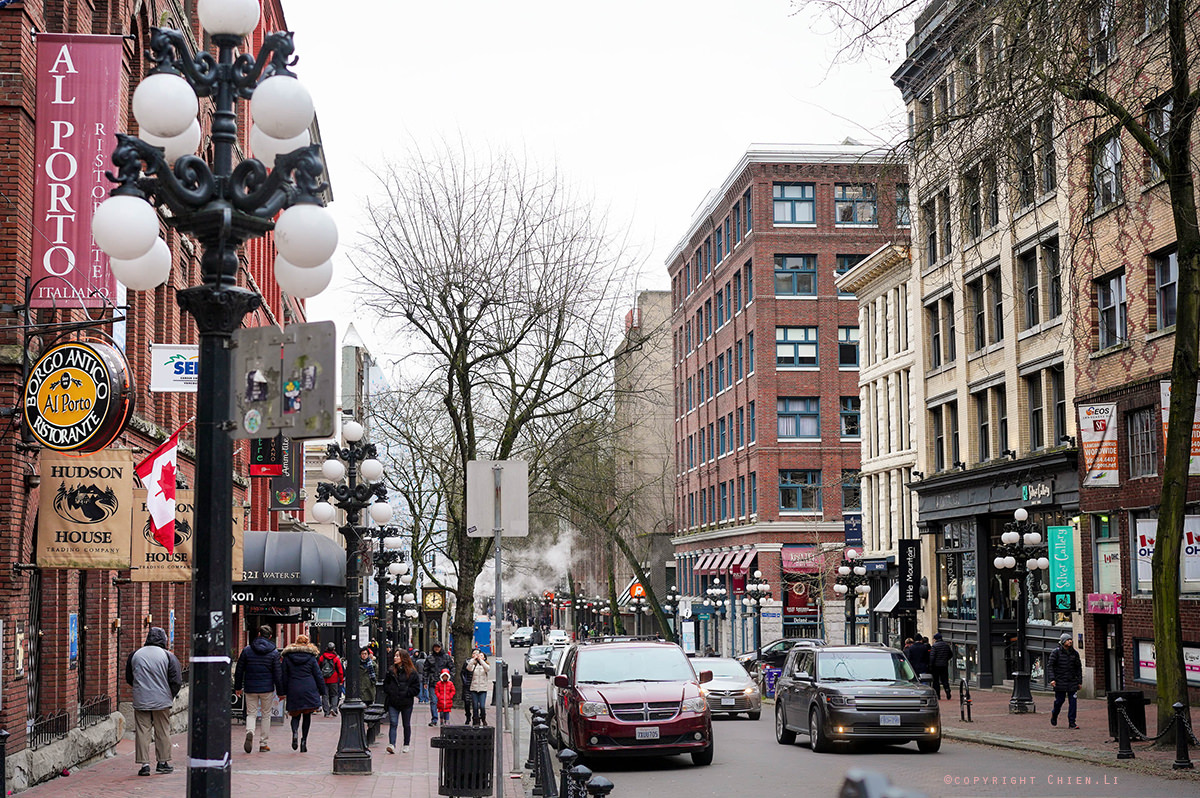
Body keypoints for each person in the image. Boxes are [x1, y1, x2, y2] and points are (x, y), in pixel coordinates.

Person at [125, 627, 183, 776]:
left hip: (141, 699)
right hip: (162, 700)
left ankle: (144, 765)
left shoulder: (135, 655)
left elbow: (129, 678)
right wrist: (171, 694)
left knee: (142, 731)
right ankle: (163, 762)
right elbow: (176, 679)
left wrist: (140, 689)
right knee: (162, 730)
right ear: (163, 640)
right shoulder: (168, 656)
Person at [234, 625, 283, 753]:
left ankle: (250, 732)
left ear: (259, 634)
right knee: (266, 715)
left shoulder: (247, 650)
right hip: (267, 688)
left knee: (251, 713)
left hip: (250, 687)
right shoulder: (274, 653)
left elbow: (239, 670)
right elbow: (278, 674)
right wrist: (281, 692)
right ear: (270, 636)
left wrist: (238, 687)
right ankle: (263, 743)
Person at [279, 634, 325, 752]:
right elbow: (318, 675)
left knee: (295, 714)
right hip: (309, 688)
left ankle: (295, 733)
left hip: (293, 688)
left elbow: (283, 675)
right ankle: (304, 740)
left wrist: (282, 691)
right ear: (307, 643)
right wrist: (322, 690)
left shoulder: (288, 657)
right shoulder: (311, 657)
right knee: (307, 715)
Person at [383, 649, 421, 753]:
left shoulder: (412, 672)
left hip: (406, 702)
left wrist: (407, 693)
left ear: (403, 658)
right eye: (395, 656)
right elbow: (385, 685)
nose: (395, 658)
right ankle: (392, 744)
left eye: (397, 656)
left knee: (406, 724)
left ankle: (406, 744)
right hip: (393, 701)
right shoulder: (391, 671)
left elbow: (416, 688)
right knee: (393, 722)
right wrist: (391, 691)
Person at [1048, 633, 1082, 729]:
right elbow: (1050, 666)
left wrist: (1079, 681)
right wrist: (1052, 679)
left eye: (1071, 639)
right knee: (1059, 701)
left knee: (1073, 702)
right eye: (1068, 640)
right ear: (1063, 642)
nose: (1070, 641)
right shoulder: (1056, 652)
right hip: (1060, 681)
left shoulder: (1075, 653)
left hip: (1072, 681)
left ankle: (1072, 722)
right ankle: (1054, 714)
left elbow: (1078, 668)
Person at [422, 641, 454, 726]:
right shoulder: (430, 658)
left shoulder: (446, 657)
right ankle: (434, 719)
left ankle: (442, 718)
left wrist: (449, 678)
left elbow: (452, 668)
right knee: (434, 701)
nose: (437, 648)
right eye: (435, 647)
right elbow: (425, 671)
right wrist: (425, 681)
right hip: (433, 682)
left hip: (444, 683)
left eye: (438, 647)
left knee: (443, 701)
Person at [317, 642, 345, 717]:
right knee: (334, 695)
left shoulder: (322, 657)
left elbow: (318, 667)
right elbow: (340, 670)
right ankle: (333, 708)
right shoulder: (336, 658)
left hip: (324, 679)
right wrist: (341, 680)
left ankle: (326, 711)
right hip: (334, 679)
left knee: (325, 695)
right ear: (334, 649)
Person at [466, 649, 491, 726]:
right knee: (475, 706)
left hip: (483, 689)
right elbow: (468, 668)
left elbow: (487, 669)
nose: (479, 656)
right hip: (474, 688)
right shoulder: (474, 665)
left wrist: (481, 660)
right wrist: (474, 659)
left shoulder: (485, 665)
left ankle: (483, 718)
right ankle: (476, 720)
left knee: (482, 706)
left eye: (481, 655)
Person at [929, 632, 953, 700]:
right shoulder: (946, 645)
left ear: (936, 639)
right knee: (945, 680)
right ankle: (947, 691)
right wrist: (945, 659)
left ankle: (938, 695)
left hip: (936, 666)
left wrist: (931, 665)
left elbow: (932, 657)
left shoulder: (934, 646)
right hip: (944, 665)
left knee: (936, 681)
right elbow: (950, 654)